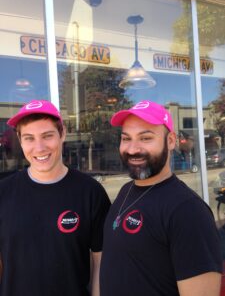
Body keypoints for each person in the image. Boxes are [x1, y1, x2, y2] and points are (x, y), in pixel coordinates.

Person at [100, 100, 222, 296]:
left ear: (171, 141)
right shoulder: (126, 191)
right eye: (126, 138)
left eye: (146, 138)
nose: (132, 149)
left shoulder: (188, 212)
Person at [0, 99, 111, 296]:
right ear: (19, 139)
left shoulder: (90, 192)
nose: (39, 147)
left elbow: (101, 263)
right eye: (29, 138)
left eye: (47, 136)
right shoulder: (4, 192)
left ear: (63, 134)